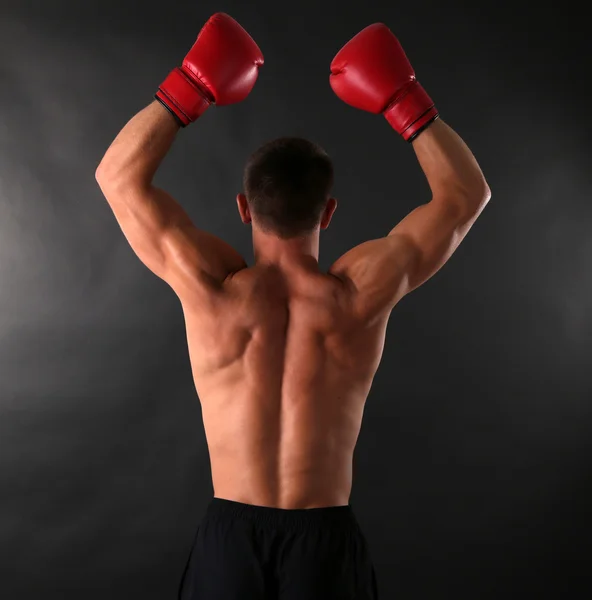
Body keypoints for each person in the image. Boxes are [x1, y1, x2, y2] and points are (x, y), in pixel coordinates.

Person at [95, 12, 491, 600]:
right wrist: (402, 101)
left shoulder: (210, 288)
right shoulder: (362, 294)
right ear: (327, 212)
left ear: (243, 208)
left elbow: (117, 178)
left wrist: (189, 87)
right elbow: (466, 195)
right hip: (325, 544)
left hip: (230, 541)